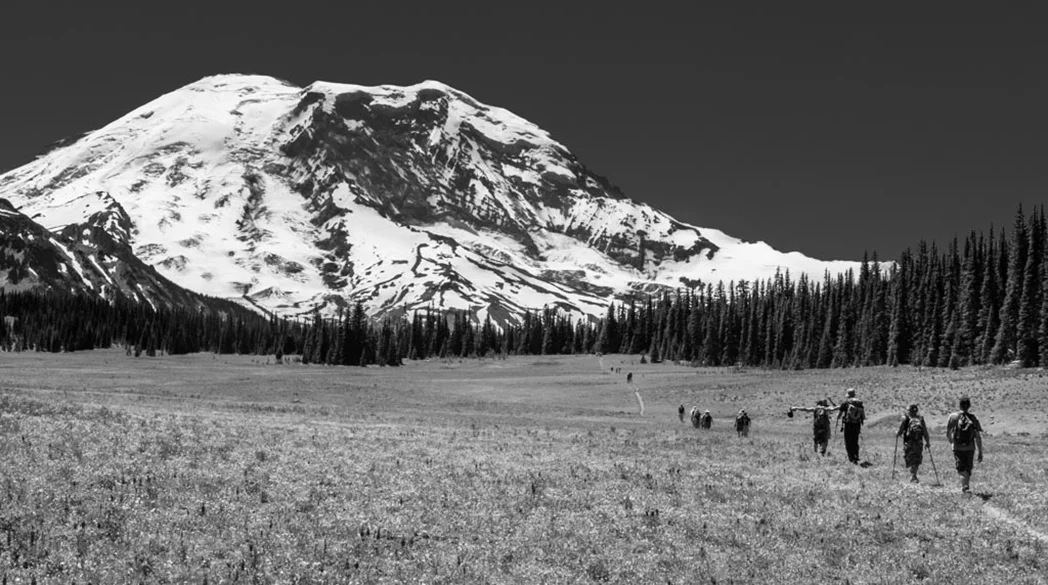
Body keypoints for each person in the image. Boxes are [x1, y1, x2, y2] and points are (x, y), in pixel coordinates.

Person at [946, 395, 983, 494]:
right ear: (969, 406)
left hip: (957, 447)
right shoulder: (973, 418)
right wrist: (980, 451)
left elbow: (948, 433)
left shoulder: (953, 417)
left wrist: (952, 443)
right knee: (968, 467)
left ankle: (965, 486)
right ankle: (966, 486)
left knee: (961, 467)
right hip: (970, 447)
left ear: (960, 405)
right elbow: (978, 436)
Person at [897, 404, 931, 483]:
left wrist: (897, 434)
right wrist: (928, 442)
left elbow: (900, 430)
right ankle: (914, 474)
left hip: (909, 441)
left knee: (910, 457)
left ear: (909, 411)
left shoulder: (906, 418)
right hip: (919, 442)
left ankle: (913, 476)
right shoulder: (920, 419)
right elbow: (925, 432)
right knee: (917, 457)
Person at [835, 388, 865, 464]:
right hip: (857, 425)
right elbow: (863, 416)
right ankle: (856, 456)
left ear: (848, 395)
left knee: (848, 441)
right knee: (855, 440)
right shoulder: (859, 403)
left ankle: (851, 458)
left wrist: (837, 417)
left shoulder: (845, 403)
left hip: (848, 424)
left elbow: (839, 415)